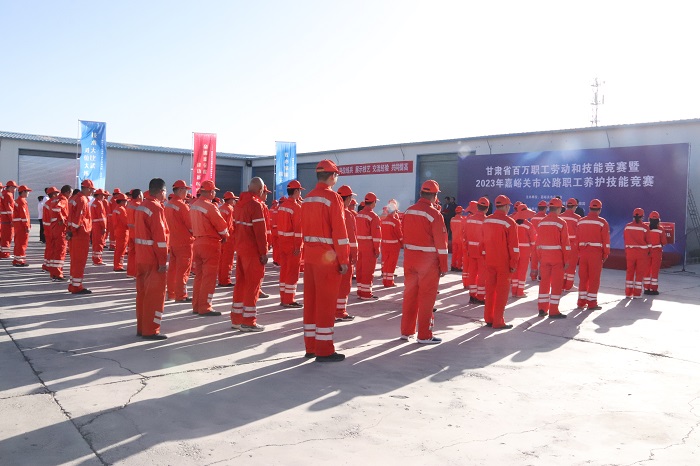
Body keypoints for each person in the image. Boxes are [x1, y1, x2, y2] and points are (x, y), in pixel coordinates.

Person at [300, 160, 349, 361]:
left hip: (310, 257)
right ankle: (324, 349)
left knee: (311, 303)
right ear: (332, 176)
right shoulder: (332, 197)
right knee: (326, 305)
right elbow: (339, 231)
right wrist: (343, 259)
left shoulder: (307, 198)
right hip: (327, 259)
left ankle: (310, 346)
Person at [400, 180, 447, 343]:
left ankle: (406, 331)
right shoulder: (435, 215)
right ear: (434, 195)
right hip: (428, 263)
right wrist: (443, 265)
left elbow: (403, 233)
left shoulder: (408, 211)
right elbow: (441, 244)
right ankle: (424, 335)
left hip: (410, 260)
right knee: (427, 298)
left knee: (410, 296)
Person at [134, 178, 170, 340]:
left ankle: (142, 327)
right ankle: (151, 330)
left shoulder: (142, 206)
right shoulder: (155, 208)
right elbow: (160, 238)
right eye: (165, 191)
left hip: (141, 257)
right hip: (153, 259)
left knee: (142, 294)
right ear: (161, 191)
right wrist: (163, 261)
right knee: (154, 296)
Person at [231, 177, 268, 330]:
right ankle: (248, 321)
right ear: (260, 190)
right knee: (253, 286)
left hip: (241, 249)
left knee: (241, 283)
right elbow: (260, 232)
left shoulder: (239, 204)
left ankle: (236, 319)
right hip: (252, 251)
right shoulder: (255, 205)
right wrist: (264, 252)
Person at [190, 180, 229, 316]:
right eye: (214, 191)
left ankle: (196, 305)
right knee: (209, 277)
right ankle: (205, 306)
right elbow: (221, 226)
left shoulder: (194, 205)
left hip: (197, 242)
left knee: (199, 276)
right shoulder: (210, 207)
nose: (215, 194)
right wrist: (225, 236)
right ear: (210, 192)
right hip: (210, 244)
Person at [482, 195, 519, 329]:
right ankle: (498, 321)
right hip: (503, 262)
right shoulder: (509, 222)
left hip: (490, 261)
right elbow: (514, 247)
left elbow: (483, 241)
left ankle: (489, 318)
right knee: (501, 293)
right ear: (506, 206)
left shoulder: (487, 220)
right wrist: (513, 263)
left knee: (490, 291)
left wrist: (485, 257)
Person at [534, 198, 569, 318]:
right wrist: (567, 260)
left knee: (544, 283)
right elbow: (565, 244)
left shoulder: (541, 223)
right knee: (556, 284)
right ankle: (554, 311)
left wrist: (540, 257)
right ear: (558, 209)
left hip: (544, 257)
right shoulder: (561, 223)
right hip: (557, 258)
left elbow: (538, 243)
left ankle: (542, 309)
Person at [576, 198, 610, 310]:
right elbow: (606, 240)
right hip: (596, 254)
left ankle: (581, 302)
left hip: (583, 253)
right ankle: (592, 303)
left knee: (583, 278)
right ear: (599, 210)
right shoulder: (602, 222)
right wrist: (606, 254)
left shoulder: (581, 221)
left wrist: (579, 252)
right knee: (594, 279)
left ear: (589, 208)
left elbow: (577, 239)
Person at [164, 180, 194, 300]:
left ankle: (171, 293)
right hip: (184, 242)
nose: (187, 192)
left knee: (172, 269)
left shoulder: (169, 204)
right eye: (186, 190)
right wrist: (196, 234)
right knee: (183, 270)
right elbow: (190, 225)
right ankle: (181, 295)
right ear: (180, 190)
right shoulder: (182, 206)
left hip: (173, 241)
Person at [277, 180, 305, 307]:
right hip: (292, 244)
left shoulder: (282, 206)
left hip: (282, 243)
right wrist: (298, 245)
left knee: (284, 271)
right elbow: (298, 230)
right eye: (300, 191)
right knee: (292, 272)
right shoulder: (296, 207)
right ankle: (289, 299)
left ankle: (283, 297)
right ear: (296, 191)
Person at [67, 179, 95, 294]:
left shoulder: (73, 198)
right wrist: (74, 230)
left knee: (74, 260)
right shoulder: (82, 200)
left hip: (74, 234)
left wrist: (70, 231)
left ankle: (73, 284)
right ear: (87, 188)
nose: (92, 192)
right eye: (91, 189)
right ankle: (77, 286)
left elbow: (71, 216)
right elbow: (79, 217)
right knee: (79, 261)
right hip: (80, 234)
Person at [336, 185, 357, 322]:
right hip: (345, 255)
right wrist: (354, 255)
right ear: (348, 198)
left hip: (332, 255)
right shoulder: (348, 215)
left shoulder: (332, 212)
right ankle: (340, 312)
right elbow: (351, 238)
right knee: (344, 285)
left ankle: (332, 310)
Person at [356, 192, 381, 299]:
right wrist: (377, 249)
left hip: (358, 245)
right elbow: (376, 236)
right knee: (368, 270)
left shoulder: (358, 214)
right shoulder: (373, 216)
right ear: (373, 202)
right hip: (368, 246)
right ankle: (366, 294)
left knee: (360, 269)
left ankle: (360, 291)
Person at [463, 197, 489, 303]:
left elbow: (465, 235)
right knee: (482, 275)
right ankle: (481, 297)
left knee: (472, 274)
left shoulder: (469, 219)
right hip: (482, 252)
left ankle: (472, 295)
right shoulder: (486, 221)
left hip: (471, 250)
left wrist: (467, 248)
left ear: (477, 207)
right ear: (487, 208)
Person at [624, 208, 650, 299]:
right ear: (643, 216)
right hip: (641, 253)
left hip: (630, 252)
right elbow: (649, 241)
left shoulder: (627, 226)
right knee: (639, 273)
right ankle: (637, 294)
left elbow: (625, 238)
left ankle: (628, 293)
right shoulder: (645, 228)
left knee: (629, 272)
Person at [511, 204, 536, 297]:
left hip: (514, 250)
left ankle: (514, 291)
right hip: (525, 251)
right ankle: (520, 291)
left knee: (514, 270)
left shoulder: (512, 222)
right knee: (522, 270)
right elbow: (533, 240)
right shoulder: (528, 225)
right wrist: (533, 252)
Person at [47, 185, 71, 281]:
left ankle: (54, 273)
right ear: (67, 192)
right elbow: (57, 208)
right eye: (70, 193)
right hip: (60, 228)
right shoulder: (63, 199)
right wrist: (61, 219)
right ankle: (58, 274)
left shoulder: (54, 199)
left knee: (55, 251)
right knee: (60, 250)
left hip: (54, 227)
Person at [380, 200, 403, 287]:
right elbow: (399, 234)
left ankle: (385, 280)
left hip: (384, 244)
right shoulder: (395, 221)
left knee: (386, 263)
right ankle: (389, 282)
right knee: (391, 264)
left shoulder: (382, 220)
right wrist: (403, 243)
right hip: (393, 246)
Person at [217, 191, 237, 288]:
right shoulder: (230, 209)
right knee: (228, 260)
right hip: (229, 238)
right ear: (230, 199)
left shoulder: (220, 208)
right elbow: (230, 226)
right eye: (234, 199)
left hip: (221, 237)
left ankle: (221, 279)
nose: (234, 201)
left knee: (221, 260)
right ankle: (225, 280)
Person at [561, 198, 582, 290]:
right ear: (574, 207)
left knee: (562, 265)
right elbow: (580, 233)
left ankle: (561, 285)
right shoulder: (577, 218)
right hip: (573, 245)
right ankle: (569, 286)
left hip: (562, 245)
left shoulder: (560, 217)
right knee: (571, 265)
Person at [645, 211, 667, 295]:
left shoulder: (646, 228)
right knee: (655, 271)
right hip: (656, 252)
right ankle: (653, 289)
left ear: (649, 219)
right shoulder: (660, 229)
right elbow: (664, 242)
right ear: (658, 220)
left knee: (646, 270)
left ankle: (646, 288)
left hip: (647, 252)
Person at [11, 185, 32, 266]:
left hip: (18, 225)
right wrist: (27, 226)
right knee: (22, 243)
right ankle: (20, 261)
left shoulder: (17, 201)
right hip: (21, 226)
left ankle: (17, 259)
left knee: (18, 242)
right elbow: (24, 215)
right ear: (23, 192)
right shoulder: (22, 201)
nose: (28, 193)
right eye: (27, 192)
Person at [126, 189, 143, 278]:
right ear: (139, 196)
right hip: (137, 233)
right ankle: (136, 273)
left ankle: (130, 272)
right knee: (138, 254)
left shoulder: (130, 205)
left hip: (131, 232)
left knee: (131, 253)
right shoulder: (138, 206)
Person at [529, 200, 548, 280]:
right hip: (543, 242)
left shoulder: (533, 218)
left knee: (534, 259)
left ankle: (533, 276)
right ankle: (541, 276)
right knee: (542, 260)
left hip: (534, 241)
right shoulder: (546, 218)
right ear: (545, 208)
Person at [41, 187, 59, 271]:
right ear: (54, 194)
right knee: (51, 248)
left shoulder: (47, 203)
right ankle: (48, 266)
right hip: (51, 229)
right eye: (57, 193)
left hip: (47, 228)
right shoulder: (52, 203)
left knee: (49, 247)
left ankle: (47, 264)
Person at [0, 180, 18, 259]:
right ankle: (5, 254)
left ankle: (4, 252)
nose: (15, 189)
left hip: (4, 219)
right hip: (7, 220)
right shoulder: (8, 195)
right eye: (14, 187)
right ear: (10, 187)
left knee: (4, 237)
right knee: (7, 236)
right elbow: (9, 209)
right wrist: (12, 220)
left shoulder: (4, 194)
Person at [90, 189, 108, 265]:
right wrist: (104, 227)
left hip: (95, 225)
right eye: (103, 195)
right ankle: (98, 260)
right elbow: (101, 216)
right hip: (99, 226)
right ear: (100, 195)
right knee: (99, 242)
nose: (104, 197)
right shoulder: (99, 203)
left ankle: (95, 259)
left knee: (95, 243)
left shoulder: (94, 203)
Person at [112, 193, 129, 271]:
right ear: (122, 201)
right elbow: (126, 222)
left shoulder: (116, 208)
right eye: (126, 201)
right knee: (121, 250)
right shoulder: (122, 209)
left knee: (118, 249)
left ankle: (117, 265)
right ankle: (118, 266)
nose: (126, 203)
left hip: (118, 230)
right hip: (123, 232)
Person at [450, 206, 464, 271]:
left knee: (454, 253)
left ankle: (453, 266)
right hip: (460, 239)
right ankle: (459, 266)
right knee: (460, 253)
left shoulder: (452, 219)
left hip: (454, 238)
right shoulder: (462, 220)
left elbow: (451, 228)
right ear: (461, 212)